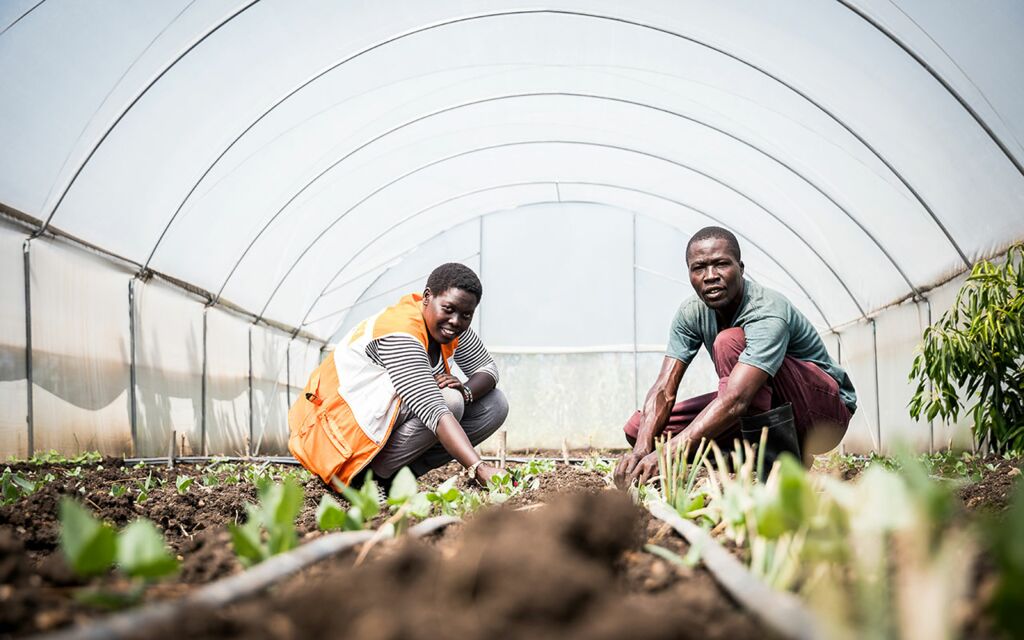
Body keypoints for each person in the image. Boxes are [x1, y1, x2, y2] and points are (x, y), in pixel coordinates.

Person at [614, 226, 856, 488]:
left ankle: (778, 470)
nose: (710, 276)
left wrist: (668, 453)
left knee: (729, 342)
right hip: (755, 407)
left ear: (740, 268)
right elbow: (664, 389)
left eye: (721, 264)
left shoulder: (766, 309)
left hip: (823, 415)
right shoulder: (691, 313)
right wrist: (641, 449)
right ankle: (756, 456)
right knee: (641, 429)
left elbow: (736, 399)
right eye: (699, 268)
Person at [288, 262, 508, 490]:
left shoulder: (450, 326)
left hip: (375, 426)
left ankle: (390, 479)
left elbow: (487, 368)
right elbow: (431, 408)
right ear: (427, 297)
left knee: (495, 404)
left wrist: (467, 390)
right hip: (336, 440)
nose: (455, 321)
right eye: (448, 309)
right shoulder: (399, 332)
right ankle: (364, 481)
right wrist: (479, 468)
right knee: (450, 401)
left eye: (466, 315)